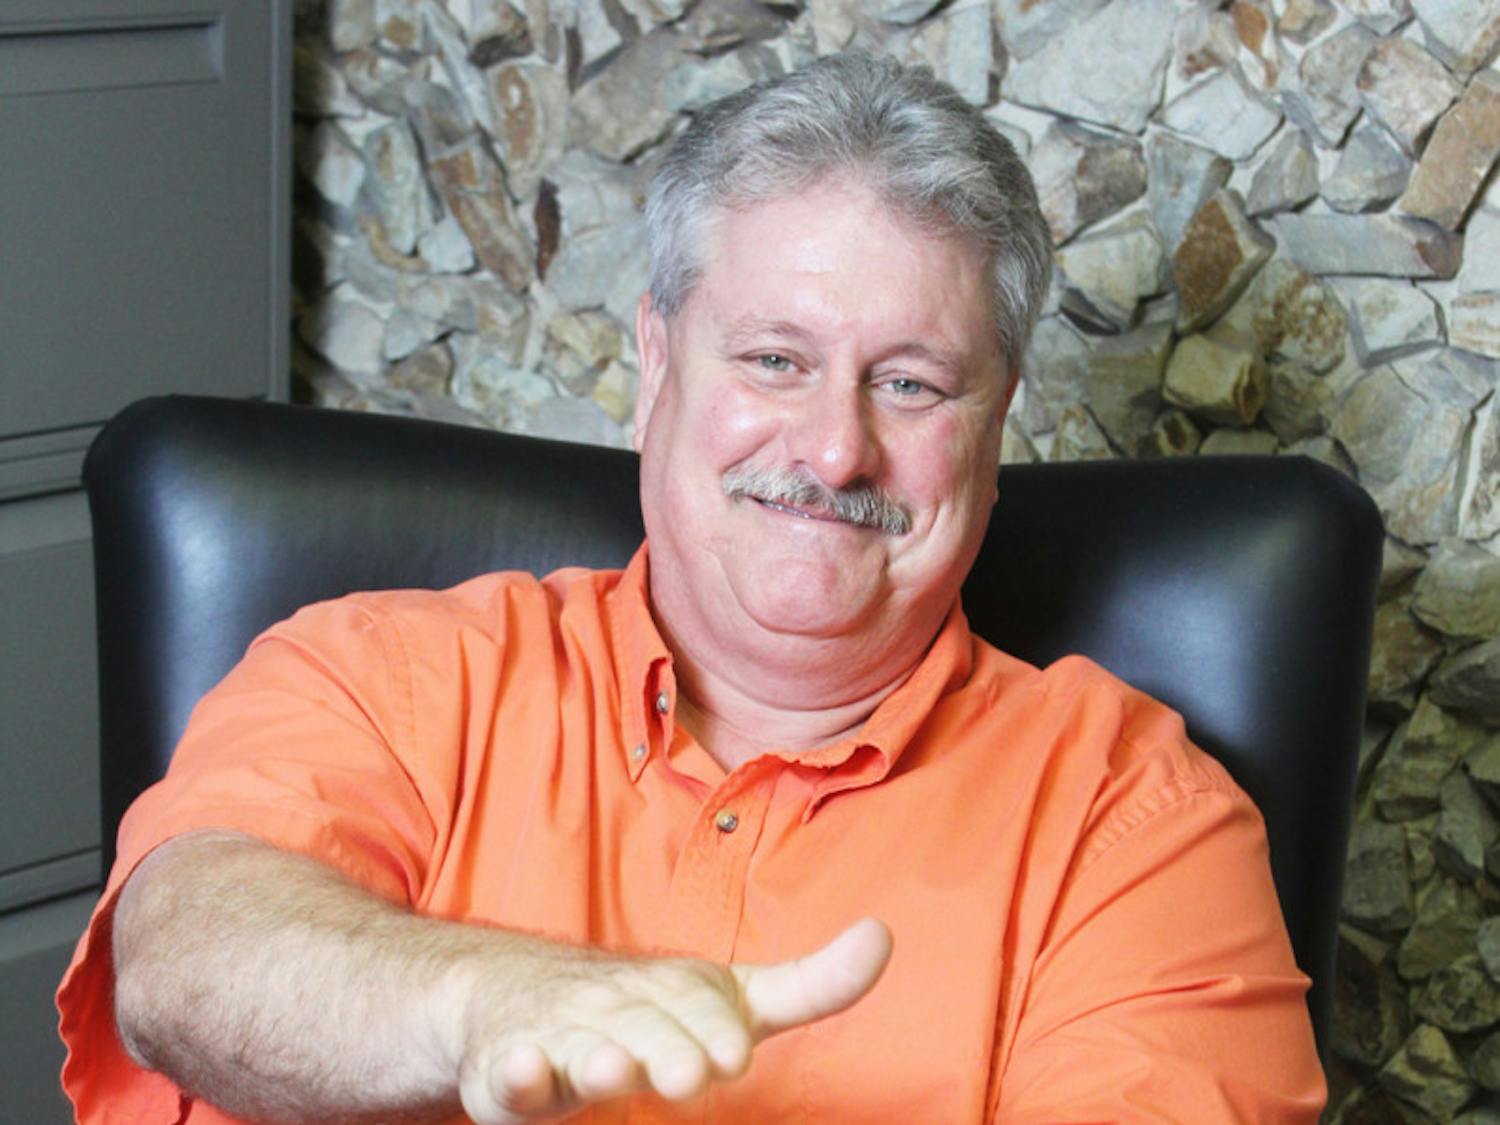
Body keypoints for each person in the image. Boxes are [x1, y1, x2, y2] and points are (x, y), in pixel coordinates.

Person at [57, 52, 1325, 1123]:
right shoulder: (380, 670)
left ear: (994, 428)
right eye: (776, 359)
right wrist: (483, 1000)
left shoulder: (1139, 828)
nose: (835, 449)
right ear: (655, 365)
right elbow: (181, 957)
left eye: (912, 384)